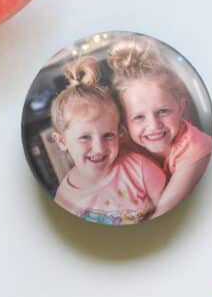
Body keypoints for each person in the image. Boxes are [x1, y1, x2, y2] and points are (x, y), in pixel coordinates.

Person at [50, 56, 166, 225]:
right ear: (61, 141)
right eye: (85, 137)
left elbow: (170, 210)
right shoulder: (65, 200)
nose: (99, 148)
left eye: (108, 135)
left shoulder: (139, 168)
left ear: (119, 132)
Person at [108, 37, 212, 218]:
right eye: (139, 117)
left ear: (181, 107)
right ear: (124, 123)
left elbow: (162, 215)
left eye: (163, 111)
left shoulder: (197, 148)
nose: (154, 125)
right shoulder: (122, 146)